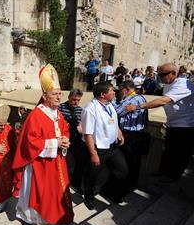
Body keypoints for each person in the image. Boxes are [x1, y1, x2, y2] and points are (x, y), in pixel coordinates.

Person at [13, 64, 74, 225]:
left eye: (60, 93)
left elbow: (65, 129)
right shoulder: (36, 115)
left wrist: (66, 139)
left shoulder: (58, 113)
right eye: (55, 94)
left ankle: (57, 218)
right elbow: (30, 142)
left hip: (56, 162)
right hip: (38, 163)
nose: (58, 97)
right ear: (44, 96)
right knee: (33, 192)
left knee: (56, 193)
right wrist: (56, 143)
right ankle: (27, 217)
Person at [126, 63, 194, 182]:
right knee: (168, 151)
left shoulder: (183, 84)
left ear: (173, 73)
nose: (160, 77)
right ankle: (163, 175)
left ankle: (173, 179)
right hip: (173, 124)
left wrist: (138, 107)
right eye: (159, 74)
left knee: (180, 154)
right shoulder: (168, 83)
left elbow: (163, 101)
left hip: (184, 126)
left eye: (163, 74)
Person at [81, 81, 128, 210]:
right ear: (103, 94)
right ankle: (88, 196)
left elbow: (113, 121)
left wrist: (119, 132)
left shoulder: (110, 104)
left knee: (122, 171)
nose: (114, 92)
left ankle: (107, 191)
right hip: (98, 149)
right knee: (92, 175)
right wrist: (93, 154)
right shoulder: (90, 108)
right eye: (112, 90)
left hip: (112, 147)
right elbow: (88, 133)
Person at [115, 80, 149, 196]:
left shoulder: (132, 100)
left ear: (127, 89)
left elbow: (117, 112)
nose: (119, 93)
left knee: (126, 164)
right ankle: (130, 186)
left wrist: (111, 101)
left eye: (120, 90)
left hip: (130, 136)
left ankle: (124, 189)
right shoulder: (141, 98)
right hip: (136, 134)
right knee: (134, 163)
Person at [58, 88, 84, 192]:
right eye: (74, 99)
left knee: (78, 162)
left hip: (76, 139)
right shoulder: (60, 108)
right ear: (69, 97)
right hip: (64, 139)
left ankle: (74, 183)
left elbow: (82, 125)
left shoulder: (80, 110)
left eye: (78, 100)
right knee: (69, 164)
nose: (76, 102)